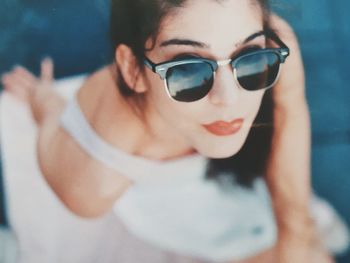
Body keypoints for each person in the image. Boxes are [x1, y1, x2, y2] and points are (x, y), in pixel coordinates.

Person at [1, 0, 348, 262]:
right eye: (188, 69)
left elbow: (289, 109)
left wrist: (294, 233)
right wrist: (42, 99)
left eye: (249, 58)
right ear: (132, 70)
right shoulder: (89, 185)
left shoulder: (269, 38)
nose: (230, 102)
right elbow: (51, 121)